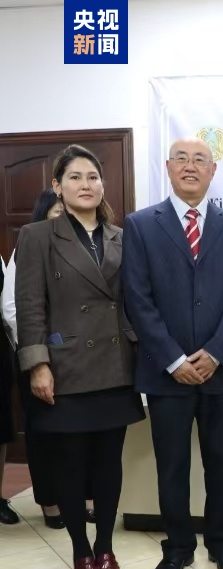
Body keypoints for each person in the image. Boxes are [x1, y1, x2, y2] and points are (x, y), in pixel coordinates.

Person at [122, 137, 223, 569]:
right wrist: (173, 359)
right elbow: (137, 299)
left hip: (220, 371)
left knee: (221, 464)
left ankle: (222, 543)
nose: (190, 166)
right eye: (182, 159)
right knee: (172, 466)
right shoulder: (141, 225)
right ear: (168, 167)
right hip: (166, 374)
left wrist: (215, 352)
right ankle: (177, 547)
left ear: (213, 171)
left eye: (200, 159)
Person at [15, 145, 145, 569]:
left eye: (93, 176)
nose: (85, 184)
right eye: (75, 177)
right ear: (57, 186)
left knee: (109, 466)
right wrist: (38, 364)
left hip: (115, 366)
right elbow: (30, 307)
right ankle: (80, 550)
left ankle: (105, 546)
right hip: (65, 368)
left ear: (103, 185)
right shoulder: (37, 236)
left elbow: (134, 301)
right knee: (70, 467)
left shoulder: (122, 236)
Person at [0, 190, 90, 530]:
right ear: (43, 215)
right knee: (45, 437)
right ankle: (51, 505)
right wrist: (39, 352)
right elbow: (13, 308)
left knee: (80, 437)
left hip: (82, 360)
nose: (64, 216)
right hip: (41, 359)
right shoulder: (29, 246)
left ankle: (81, 500)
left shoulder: (87, 246)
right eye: (57, 211)